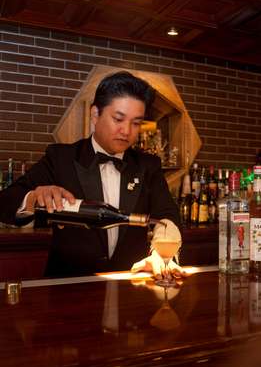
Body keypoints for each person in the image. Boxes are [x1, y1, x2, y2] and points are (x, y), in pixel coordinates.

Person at [0, 71, 185, 279]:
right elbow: (6, 201)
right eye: (118, 119)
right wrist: (33, 197)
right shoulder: (61, 158)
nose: (126, 131)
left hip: (129, 286)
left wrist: (160, 253)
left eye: (136, 123)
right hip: (70, 288)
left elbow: (168, 215)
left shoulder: (148, 165)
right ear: (95, 114)